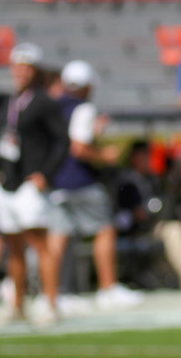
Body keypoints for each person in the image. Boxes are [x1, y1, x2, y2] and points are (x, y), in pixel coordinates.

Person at [45, 59, 142, 313]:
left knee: (58, 236)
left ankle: (55, 293)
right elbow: (79, 147)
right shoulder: (83, 108)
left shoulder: (53, 105)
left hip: (55, 180)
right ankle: (108, 288)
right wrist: (105, 155)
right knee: (105, 229)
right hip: (80, 180)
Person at [0, 42, 68, 323]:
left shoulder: (44, 101)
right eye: (17, 66)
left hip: (30, 183)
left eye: (26, 67)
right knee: (14, 247)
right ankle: (17, 304)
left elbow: (62, 141)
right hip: (9, 182)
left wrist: (45, 173)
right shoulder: (9, 100)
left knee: (39, 243)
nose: (21, 72)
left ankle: (49, 303)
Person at [114, 139, 181, 291]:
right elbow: (138, 214)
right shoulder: (128, 181)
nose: (146, 159)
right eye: (142, 155)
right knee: (173, 231)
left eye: (147, 155)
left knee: (174, 228)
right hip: (137, 231)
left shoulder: (152, 179)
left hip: (155, 227)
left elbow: (163, 203)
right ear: (133, 157)